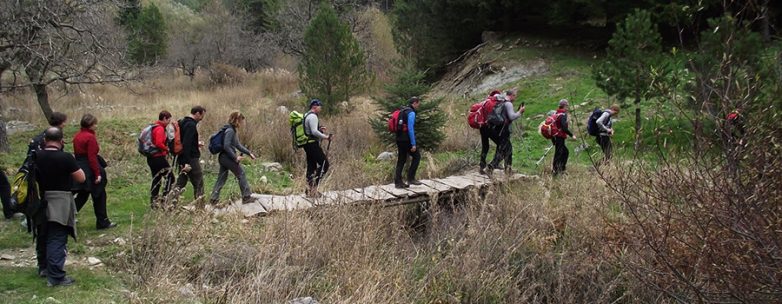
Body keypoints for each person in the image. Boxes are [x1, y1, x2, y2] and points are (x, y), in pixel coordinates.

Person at [35, 127, 86, 287]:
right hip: (59, 199)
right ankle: (56, 276)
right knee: (57, 236)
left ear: (45, 140)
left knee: (43, 234)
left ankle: (43, 267)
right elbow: (81, 178)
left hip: (39, 199)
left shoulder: (36, 156)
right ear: (61, 140)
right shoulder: (65, 157)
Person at [72, 114, 115, 230]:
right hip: (90, 168)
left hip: (80, 167)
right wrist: (97, 174)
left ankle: (67, 216)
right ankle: (103, 222)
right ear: (91, 125)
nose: (96, 126)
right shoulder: (90, 138)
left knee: (83, 194)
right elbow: (91, 157)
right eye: (95, 124)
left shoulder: (77, 136)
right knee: (99, 195)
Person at [209, 111, 257, 204]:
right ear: (236, 120)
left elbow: (238, 145)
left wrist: (249, 153)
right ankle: (246, 197)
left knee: (222, 178)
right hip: (227, 158)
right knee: (241, 173)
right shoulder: (230, 131)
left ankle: (213, 199)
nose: (242, 123)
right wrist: (235, 157)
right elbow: (226, 146)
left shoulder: (231, 129)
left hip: (223, 157)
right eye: (241, 121)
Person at [485, 89, 525, 176]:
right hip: (504, 130)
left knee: (504, 148)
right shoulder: (508, 104)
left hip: (496, 129)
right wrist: (520, 112)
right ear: (512, 95)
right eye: (515, 96)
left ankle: (507, 169)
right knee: (507, 149)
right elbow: (511, 117)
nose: (515, 97)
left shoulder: (501, 102)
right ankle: (492, 167)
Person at [301, 99, 332, 197]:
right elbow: (314, 132)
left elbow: (310, 131)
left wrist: (319, 130)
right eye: (320, 106)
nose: (321, 108)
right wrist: (326, 137)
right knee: (324, 164)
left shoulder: (307, 115)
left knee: (311, 166)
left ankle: (309, 189)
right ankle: (313, 188)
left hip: (307, 144)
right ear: (315, 106)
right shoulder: (313, 116)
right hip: (312, 144)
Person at [175, 106, 206, 201]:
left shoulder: (182, 121)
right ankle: (200, 208)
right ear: (197, 113)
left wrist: (196, 144)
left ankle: (169, 205)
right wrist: (187, 162)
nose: (201, 119)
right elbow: (186, 144)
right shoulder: (191, 125)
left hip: (182, 157)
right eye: (201, 116)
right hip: (191, 159)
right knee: (199, 182)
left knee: (181, 182)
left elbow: (185, 141)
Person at [146, 111, 175, 208]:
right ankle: (165, 200)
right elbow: (158, 143)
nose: (169, 122)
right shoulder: (159, 129)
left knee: (157, 179)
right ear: (164, 118)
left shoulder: (154, 126)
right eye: (168, 120)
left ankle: (154, 202)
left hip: (151, 158)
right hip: (158, 157)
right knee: (170, 177)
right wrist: (167, 149)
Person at [394, 97, 422, 188]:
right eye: (418, 104)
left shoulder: (403, 111)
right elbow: (410, 129)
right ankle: (411, 178)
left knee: (401, 160)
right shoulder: (411, 113)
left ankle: (398, 182)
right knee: (417, 156)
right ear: (414, 103)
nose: (419, 105)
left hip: (399, 138)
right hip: (406, 140)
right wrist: (413, 144)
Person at [479, 90, 502, 174]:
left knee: (485, 146)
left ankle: (482, 166)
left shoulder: (485, 102)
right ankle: (494, 164)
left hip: (482, 127)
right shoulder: (495, 103)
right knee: (501, 144)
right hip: (490, 127)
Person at [552, 99, 576, 176]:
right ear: (564, 106)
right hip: (560, 136)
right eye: (567, 106)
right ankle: (557, 171)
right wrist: (572, 135)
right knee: (561, 153)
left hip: (555, 136)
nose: (567, 108)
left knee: (562, 152)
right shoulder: (562, 114)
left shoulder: (556, 113)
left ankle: (559, 169)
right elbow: (564, 127)